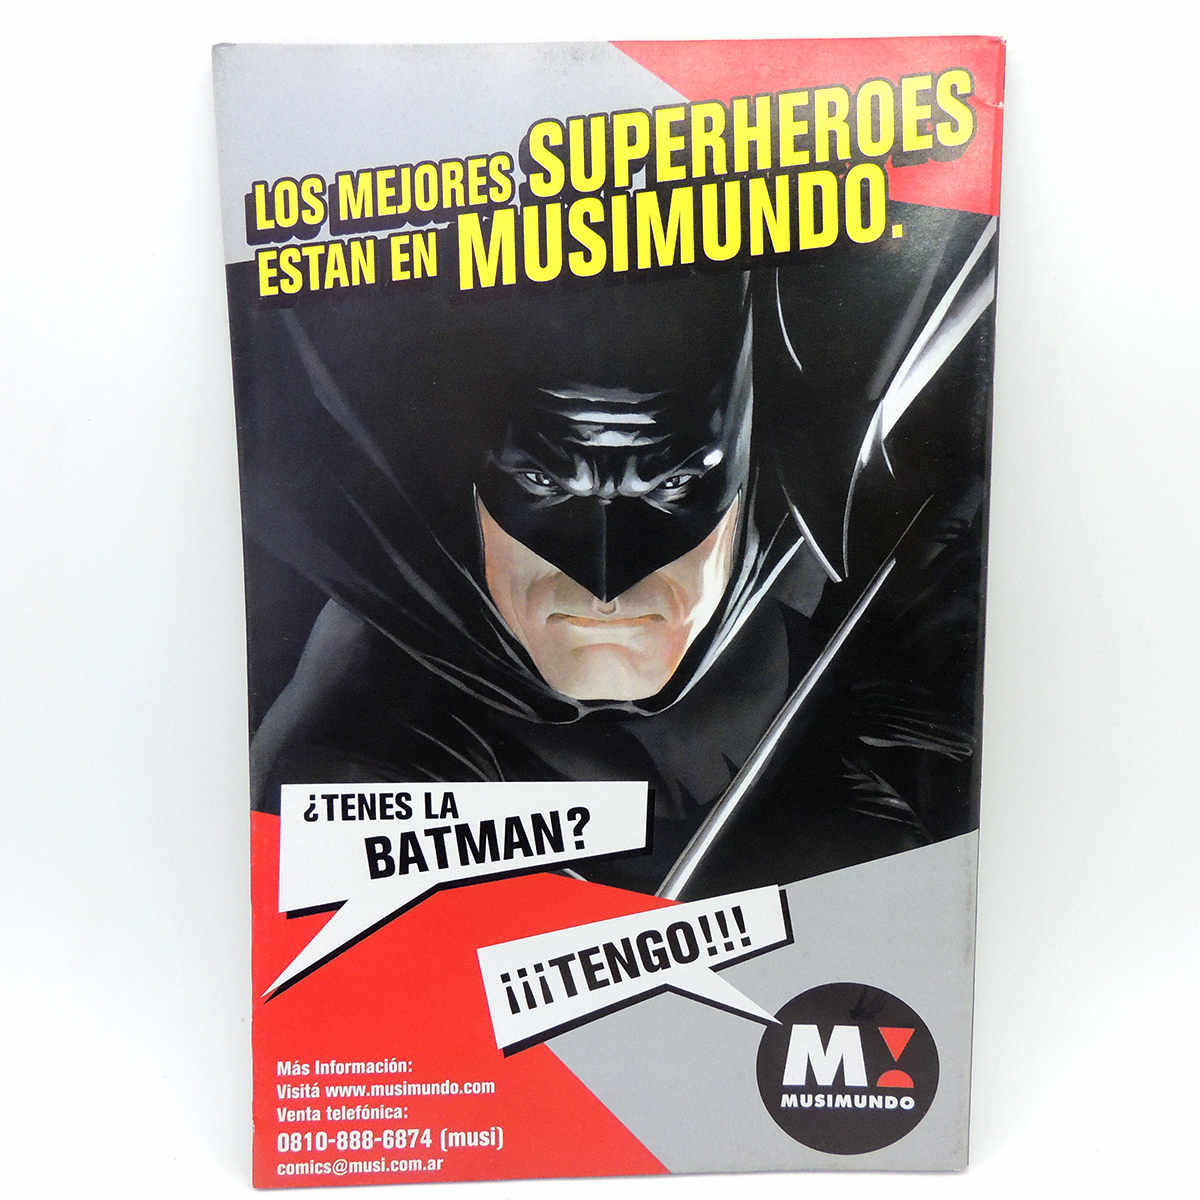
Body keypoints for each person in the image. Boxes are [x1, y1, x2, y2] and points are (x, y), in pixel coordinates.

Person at [231, 202, 994, 898]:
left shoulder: (826, 604)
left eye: (672, 482)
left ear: (751, 472)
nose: (606, 582)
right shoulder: (364, 741)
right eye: (544, 480)